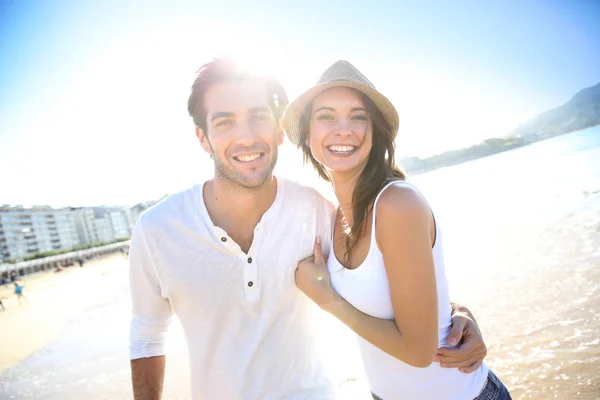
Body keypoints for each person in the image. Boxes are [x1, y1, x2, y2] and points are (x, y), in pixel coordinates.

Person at [129, 58, 488, 400]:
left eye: (258, 118)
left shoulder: (318, 211)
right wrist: (452, 315)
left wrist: (454, 315)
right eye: (225, 122)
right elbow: (146, 335)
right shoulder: (157, 230)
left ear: (280, 133)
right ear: (203, 138)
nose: (247, 137)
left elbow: (399, 291)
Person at [284, 60, 511, 400]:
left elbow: (419, 353)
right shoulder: (330, 217)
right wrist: (459, 310)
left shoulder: (396, 203)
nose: (343, 129)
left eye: (358, 116)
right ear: (307, 134)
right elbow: (409, 292)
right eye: (327, 116)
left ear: (375, 132)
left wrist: (327, 299)